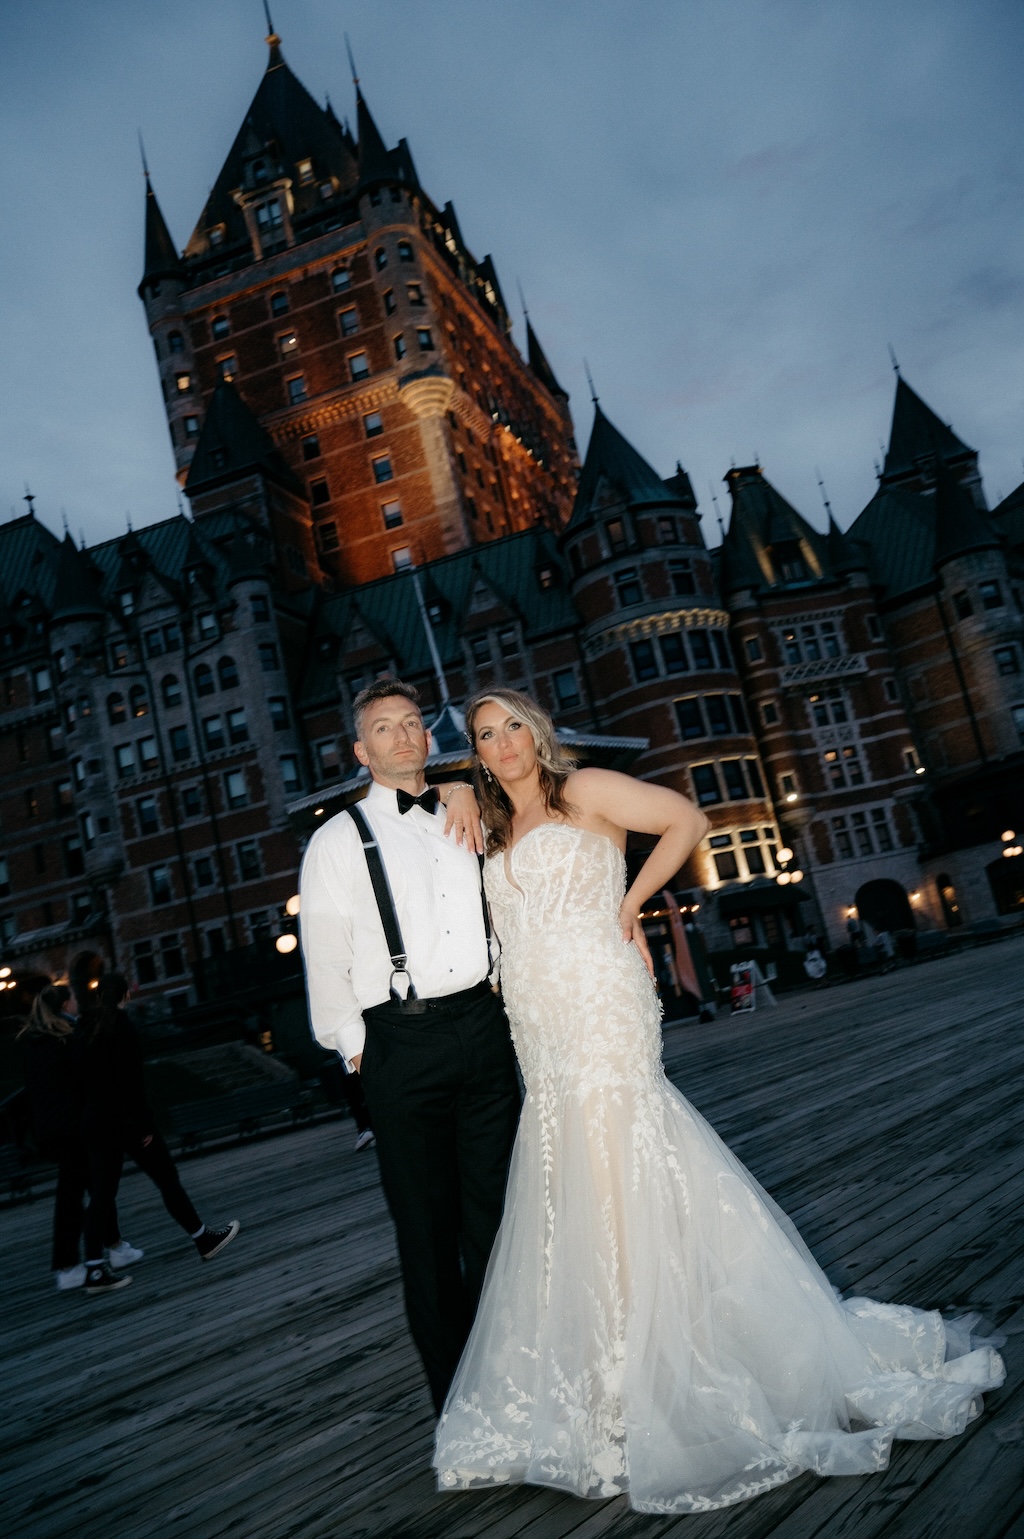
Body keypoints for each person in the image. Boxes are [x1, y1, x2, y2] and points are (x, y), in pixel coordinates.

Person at [433, 689, 1004, 1515]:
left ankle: (655, 1366)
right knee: (569, 1166)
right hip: (536, 1021)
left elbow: (686, 821)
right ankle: (600, 1368)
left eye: (513, 724)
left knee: (623, 1144)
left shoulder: (585, 790)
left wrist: (630, 903)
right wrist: (447, 790)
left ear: (538, 731)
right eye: (487, 735)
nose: (505, 742)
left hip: (599, 997)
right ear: (479, 754)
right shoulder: (488, 824)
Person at [299, 680, 521, 1415]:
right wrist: (358, 1051)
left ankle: (511, 1387)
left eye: (411, 723)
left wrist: (461, 782)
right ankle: (460, 1406)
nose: (400, 736)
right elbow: (324, 955)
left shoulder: (467, 810)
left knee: (495, 1219)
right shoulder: (336, 840)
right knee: (427, 1235)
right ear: (360, 751)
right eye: (382, 728)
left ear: (429, 737)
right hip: (400, 1042)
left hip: (485, 1031)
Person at [78, 973, 240, 1268]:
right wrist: (143, 1125)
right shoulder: (124, 1029)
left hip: (98, 1125)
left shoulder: (84, 1030)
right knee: (167, 1181)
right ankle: (203, 1238)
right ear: (125, 995)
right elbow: (131, 1082)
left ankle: (92, 1265)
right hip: (129, 1124)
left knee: (102, 1196)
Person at [19, 983, 128, 1294]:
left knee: (93, 1188)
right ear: (66, 1005)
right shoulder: (67, 1038)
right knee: (78, 1194)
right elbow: (87, 1079)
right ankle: (70, 1265)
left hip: (52, 1130)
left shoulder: (35, 1043)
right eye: (74, 1001)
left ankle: (113, 1245)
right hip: (74, 1128)